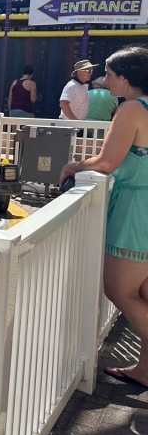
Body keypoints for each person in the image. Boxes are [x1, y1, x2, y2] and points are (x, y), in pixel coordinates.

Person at [58, 45, 148, 387]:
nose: (104, 80)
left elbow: (107, 162)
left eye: (109, 74)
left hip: (136, 211)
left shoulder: (131, 109)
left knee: (120, 290)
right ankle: (144, 369)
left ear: (125, 78)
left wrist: (74, 165)